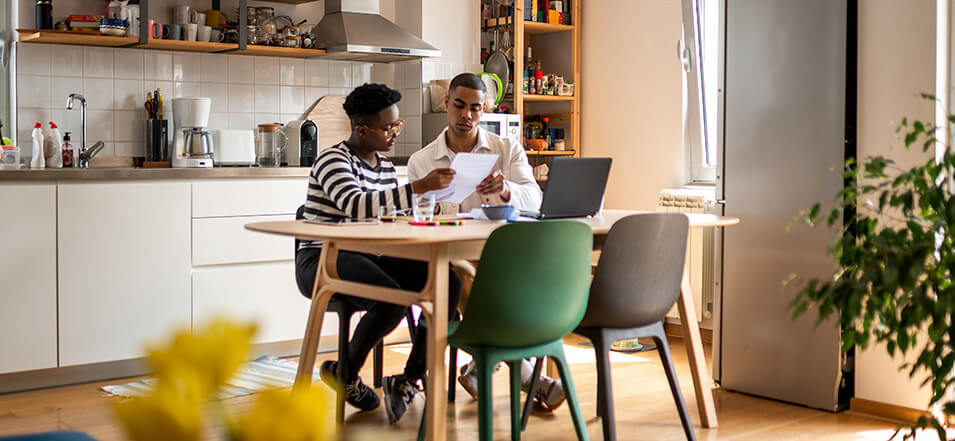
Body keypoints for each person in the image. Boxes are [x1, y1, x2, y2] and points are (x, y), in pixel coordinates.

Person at [295, 83, 462, 424]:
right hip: (323, 257)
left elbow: (389, 217)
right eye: (388, 128)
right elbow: (356, 207)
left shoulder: (385, 167)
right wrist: (418, 187)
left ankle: (408, 380)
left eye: (397, 125)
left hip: (370, 255)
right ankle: (346, 372)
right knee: (392, 299)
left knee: (449, 281)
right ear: (361, 129)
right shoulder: (332, 160)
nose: (394, 134)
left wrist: (419, 216)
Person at [407, 73, 565, 411]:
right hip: (451, 259)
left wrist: (506, 188)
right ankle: (525, 375)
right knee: (463, 271)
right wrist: (429, 205)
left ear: (485, 110)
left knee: (501, 275)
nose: (466, 115)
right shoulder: (421, 162)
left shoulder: (506, 149)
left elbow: (535, 199)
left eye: (475, 109)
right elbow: (415, 219)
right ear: (446, 104)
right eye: (460, 106)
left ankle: (482, 364)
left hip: (506, 257)